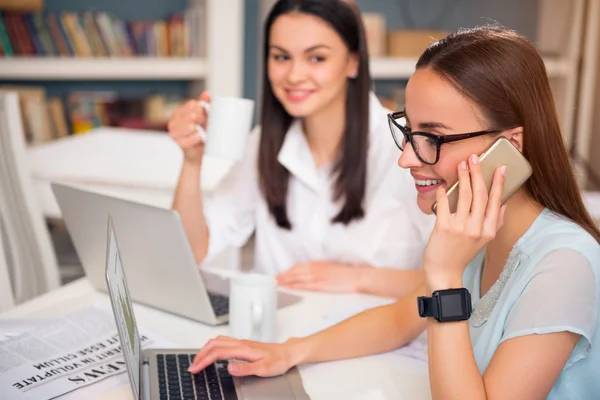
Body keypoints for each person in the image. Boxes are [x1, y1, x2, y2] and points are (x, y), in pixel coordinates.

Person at [187, 25, 600, 399]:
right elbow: (396, 321)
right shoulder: (480, 237)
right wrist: (289, 352)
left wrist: (443, 275)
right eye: (409, 132)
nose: (406, 159)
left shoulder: (563, 264)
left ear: (511, 144)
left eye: (433, 138)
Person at [168, 0, 433, 298]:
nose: (294, 76)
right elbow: (192, 251)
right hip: (279, 333)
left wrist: (359, 278)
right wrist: (192, 161)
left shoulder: (407, 151)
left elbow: (459, 282)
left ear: (353, 62)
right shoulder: (264, 143)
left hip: (381, 336)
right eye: (281, 57)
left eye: (316, 58)